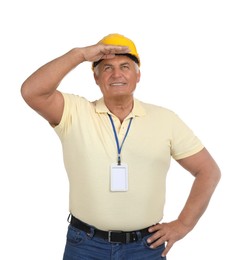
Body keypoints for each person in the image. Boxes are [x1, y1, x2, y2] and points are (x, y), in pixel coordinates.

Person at [21, 33, 221, 259]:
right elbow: (32, 91)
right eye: (107, 68)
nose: (117, 74)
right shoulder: (74, 112)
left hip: (146, 247)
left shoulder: (166, 119)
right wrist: (80, 54)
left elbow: (208, 171)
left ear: (138, 76)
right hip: (85, 245)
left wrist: (184, 224)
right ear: (96, 78)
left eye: (125, 66)